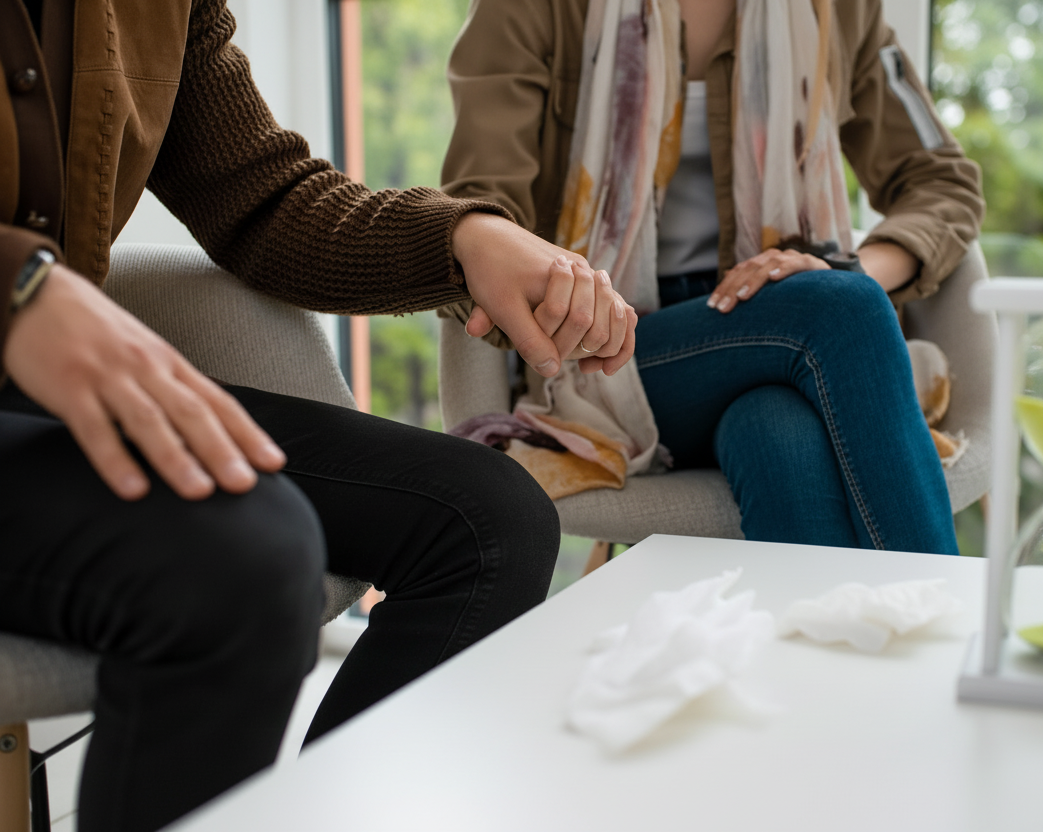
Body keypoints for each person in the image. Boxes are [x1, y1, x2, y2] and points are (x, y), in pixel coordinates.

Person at [0, 1, 636, 830]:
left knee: (491, 519)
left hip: (39, 394)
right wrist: (21, 289)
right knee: (241, 561)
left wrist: (465, 240)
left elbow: (261, 200)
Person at [442, 0, 985, 554]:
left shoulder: (840, 11)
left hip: (786, 326)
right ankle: (946, 621)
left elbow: (941, 182)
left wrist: (846, 270)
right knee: (843, 309)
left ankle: (833, 638)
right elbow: (476, 218)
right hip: (610, 351)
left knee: (773, 428)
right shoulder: (534, 10)